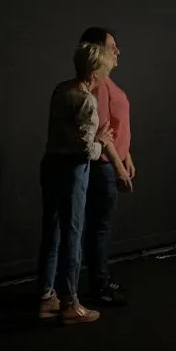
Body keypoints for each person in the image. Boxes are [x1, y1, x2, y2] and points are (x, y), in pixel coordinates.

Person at [37, 42, 121, 325]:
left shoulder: (61, 88)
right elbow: (86, 151)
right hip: (72, 170)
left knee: (52, 230)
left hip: (50, 164)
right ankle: (70, 302)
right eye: (106, 69)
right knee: (73, 232)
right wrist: (101, 140)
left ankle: (47, 297)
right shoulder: (87, 100)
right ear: (95, 72)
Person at [78, 27, 134, 306]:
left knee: (101, 227)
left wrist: (127, 156)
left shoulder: (109, 85)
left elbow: (118, 127)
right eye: (112, 46)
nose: (117, 51)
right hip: (103, 167)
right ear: (98, 51)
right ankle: (99, 287)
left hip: (111, 164)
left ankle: (102, 279)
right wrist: (119, 167)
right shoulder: (98, 88)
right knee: (98, 228)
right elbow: (102, 130)